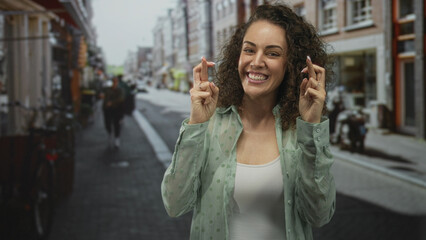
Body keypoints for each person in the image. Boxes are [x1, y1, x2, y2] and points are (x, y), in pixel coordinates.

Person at [161, 3, 336, 240]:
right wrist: (195, 125)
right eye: (249, 50)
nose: (257, 62)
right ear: (237, 55)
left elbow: (319, 215)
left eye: (273, 53)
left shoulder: (300, 131)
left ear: (291, 65)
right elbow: (174, 204)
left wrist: (312, 127)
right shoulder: (210, 124)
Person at [102, 76, 124, 148]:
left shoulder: (120, 90)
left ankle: (116, 138)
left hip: (116, 109)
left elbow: (120, 99)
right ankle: (110, 134)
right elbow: (104, 96)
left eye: (116, 81)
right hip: (107, 109)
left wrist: (112, 103)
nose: (114, 83)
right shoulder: (107, 89)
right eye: (113, 81)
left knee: (116, 124)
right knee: (107, 123)